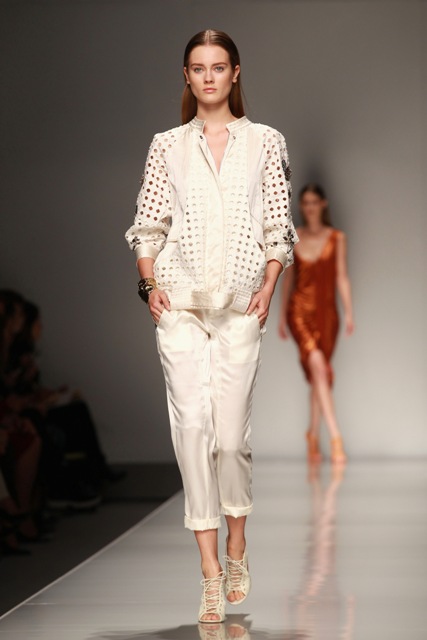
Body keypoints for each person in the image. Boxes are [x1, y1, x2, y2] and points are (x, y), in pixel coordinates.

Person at [125, 29, 297, 623]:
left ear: (235, 73)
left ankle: (237, 544)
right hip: (179, 306)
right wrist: (150, 285)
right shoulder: (167, 146)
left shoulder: (265, 141)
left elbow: (277, 224)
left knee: (229, 439)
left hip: (241, 306)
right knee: (191, 430)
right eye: (198, 68)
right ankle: (208, 571)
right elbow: (149, 224)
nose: (208, 77)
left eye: (218, 67)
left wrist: (269, 285)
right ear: (186, 76)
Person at [278, 184, 354, 465]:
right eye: (305, 202)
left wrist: (349, 312)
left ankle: (312, 435)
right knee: (319, 369)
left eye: (314, 202)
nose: (309, 207)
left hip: (327, 314)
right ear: (301, 206)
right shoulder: (295, 236)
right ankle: (335, 438)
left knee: (318, 375)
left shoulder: (337, 237)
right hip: (299, 312)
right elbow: (288, 278)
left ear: (323, 204)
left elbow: (341, 276)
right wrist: (281, 317)